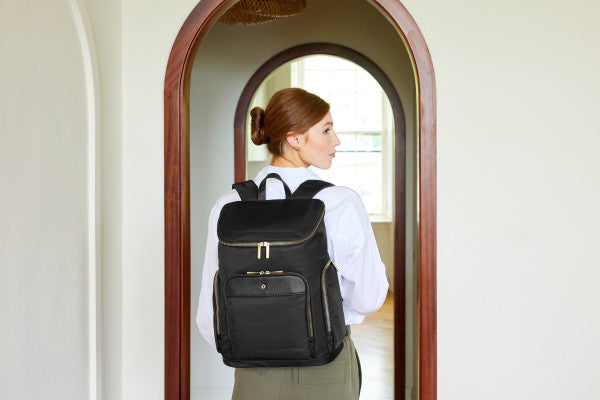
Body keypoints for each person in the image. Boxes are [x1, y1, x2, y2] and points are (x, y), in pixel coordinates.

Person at [196, 87, 389, 400]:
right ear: (295, 138)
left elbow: (209, 314)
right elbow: (367, 298)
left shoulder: (228, 205)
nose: (336, 140)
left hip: (252, 372)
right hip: (325, 364)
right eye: (326, 130)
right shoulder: (339, 202)